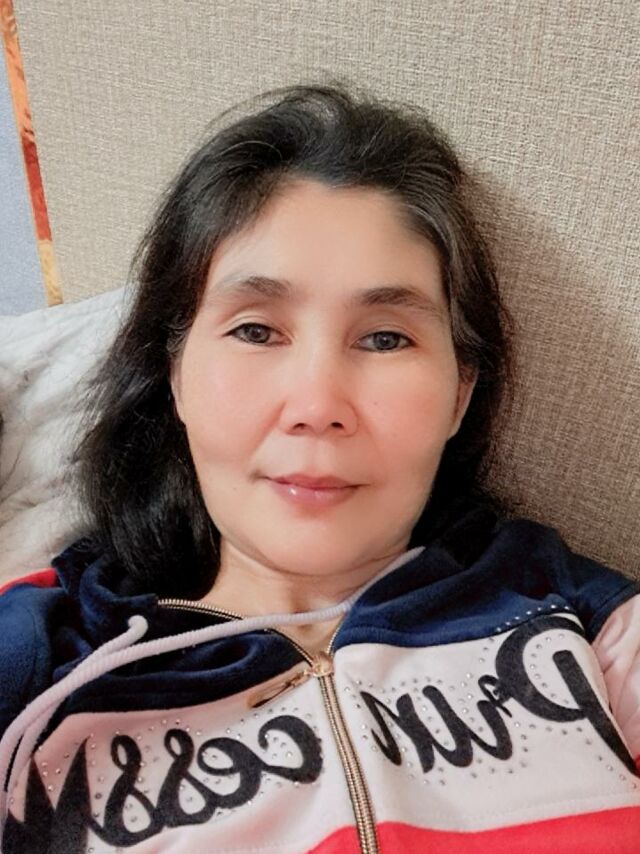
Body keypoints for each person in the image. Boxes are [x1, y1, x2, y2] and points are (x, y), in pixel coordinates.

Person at [0, 83, 638, 854]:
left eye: (385, 339)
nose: (316, 404)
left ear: (461, 393)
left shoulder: (582, 620)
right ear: (175, 374)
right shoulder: (42, 653)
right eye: (256, 330)